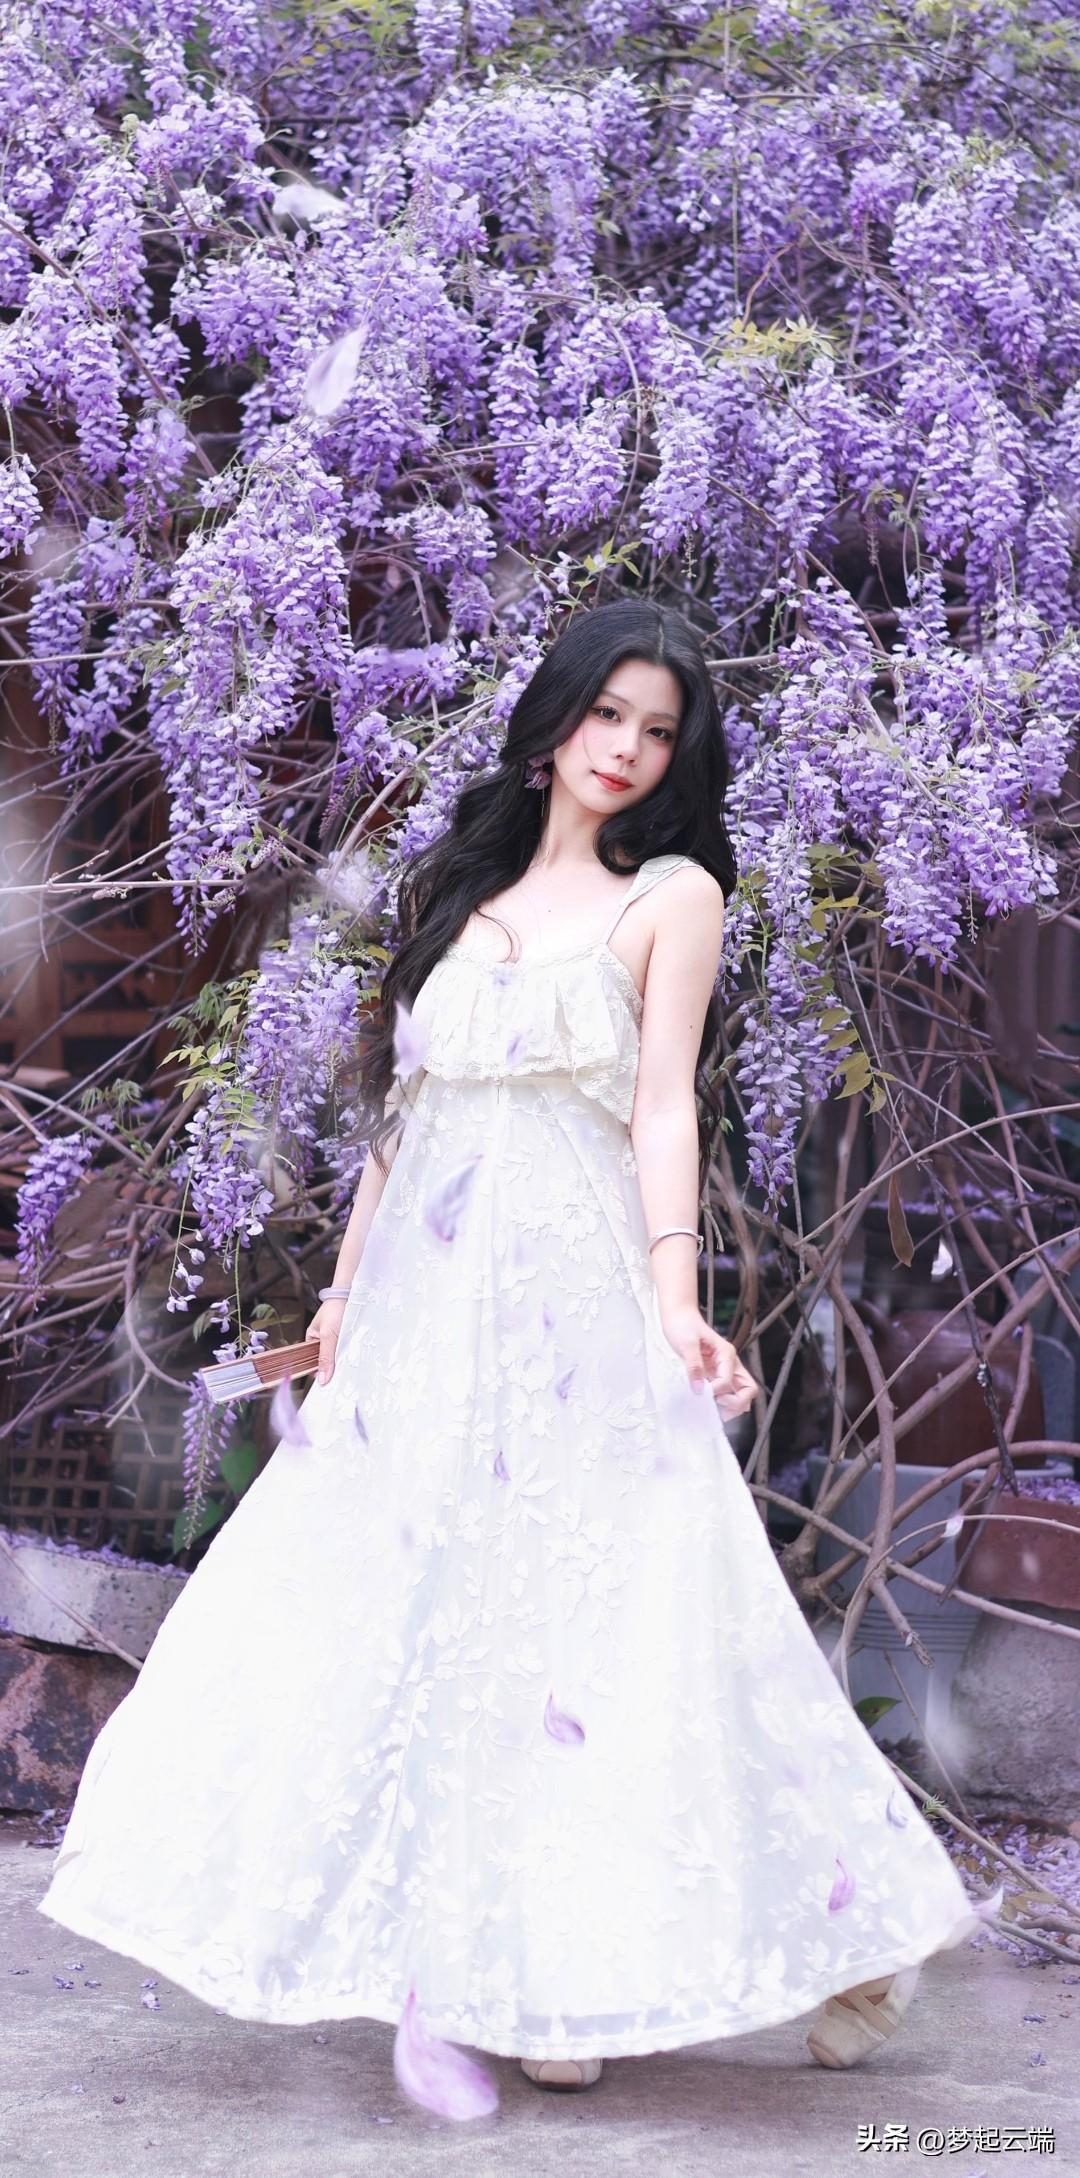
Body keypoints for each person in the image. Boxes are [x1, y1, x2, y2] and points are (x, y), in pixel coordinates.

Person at [37, 598, 980, 2102]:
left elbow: (662, 1106)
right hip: (427, 1308)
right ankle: (508, 1957)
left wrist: (676, 1296)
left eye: (656, 731)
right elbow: (401, 1121)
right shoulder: (458, 894)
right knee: (419, 1608)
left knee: (610, 1616)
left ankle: (805, 1943)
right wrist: (344, 1295)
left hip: (577, 1297)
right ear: (554, 720)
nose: (625, 748)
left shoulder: (671, 895)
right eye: (607, 713)